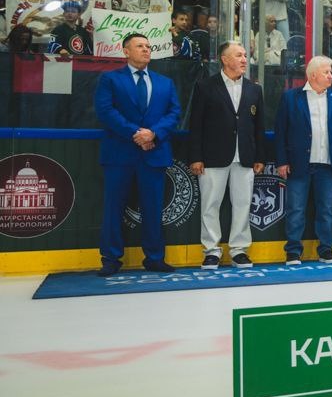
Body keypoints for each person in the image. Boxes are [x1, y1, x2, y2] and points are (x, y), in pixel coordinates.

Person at [94, 33, 182, 276]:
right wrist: (136, 134)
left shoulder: (165, 82)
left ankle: (154, 258)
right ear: (126, 51)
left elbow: (174, 113)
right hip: (119, 155)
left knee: (153, 208)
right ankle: (111, 259)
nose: (146, 50)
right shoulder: (110, 79)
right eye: (140, 46)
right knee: (114, 208)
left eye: (148, 46)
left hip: (154, 154)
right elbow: (105, 111)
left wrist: (153, 134)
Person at [188, 42, 264, 270]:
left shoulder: (254, 89)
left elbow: (259, 127)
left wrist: (259, 157)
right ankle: (211, 251)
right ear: (224, 59)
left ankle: (239, 250)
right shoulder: (205, 86)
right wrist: (196, 156)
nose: (244, 59)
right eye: (239, 55)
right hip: (212, 156)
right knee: (210, 204)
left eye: (245, 55)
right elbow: (196, 125)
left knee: (243, 204)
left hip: (245, 156)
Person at [274, 55, 332, 264]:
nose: (331, 75)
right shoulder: (291, 97)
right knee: (296, 209)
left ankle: (326, 250)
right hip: (298, 163)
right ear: (313, 75)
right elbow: (280, 132)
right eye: (327, 72)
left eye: (331, 72)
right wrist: (282, 161)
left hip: (328, 164)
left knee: (327, 210)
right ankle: (293, 251)